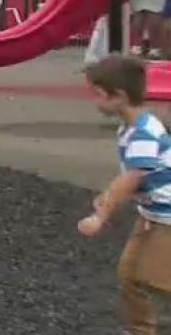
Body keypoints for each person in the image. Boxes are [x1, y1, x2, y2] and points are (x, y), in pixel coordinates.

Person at [77, 55, 171, 335]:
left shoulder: (143, 133)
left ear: (118, 96)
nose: (94, 101)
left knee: (152, 278)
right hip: (152, 216)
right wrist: (109, 195)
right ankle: (140, 329)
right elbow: (135, 178)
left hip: (167, 219)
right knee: (130, 274)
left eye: (98, 94)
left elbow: (132, 178)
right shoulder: (131, 128)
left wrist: (101, 214)